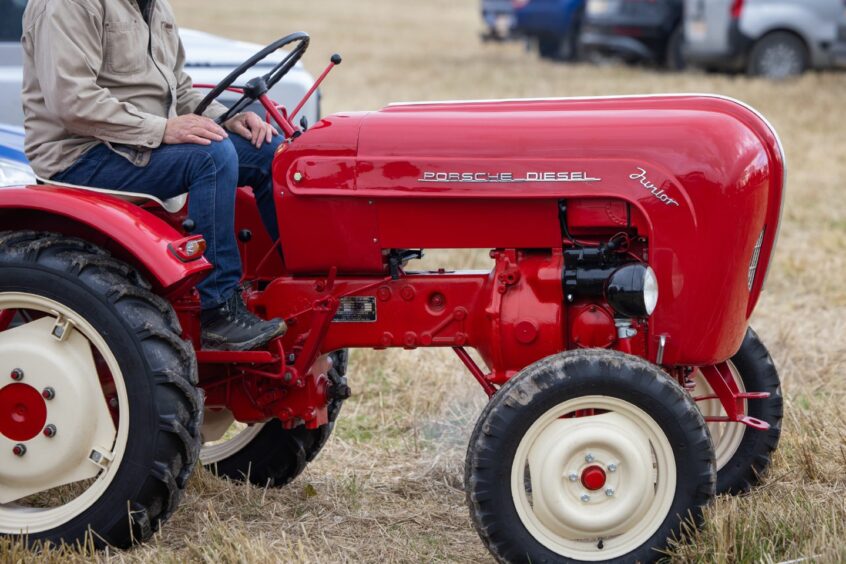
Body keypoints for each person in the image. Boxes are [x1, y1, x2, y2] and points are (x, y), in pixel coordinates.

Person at [21, 0, 286, 351]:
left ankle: (293, 288)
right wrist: (163, 128)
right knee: (211, 158)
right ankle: (217, 310)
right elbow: (73, 103)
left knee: (270, 152)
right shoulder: (68, 5)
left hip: (140, 139)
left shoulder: (154, 6)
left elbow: (178, 88)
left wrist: (227, 117)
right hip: (81, 154)